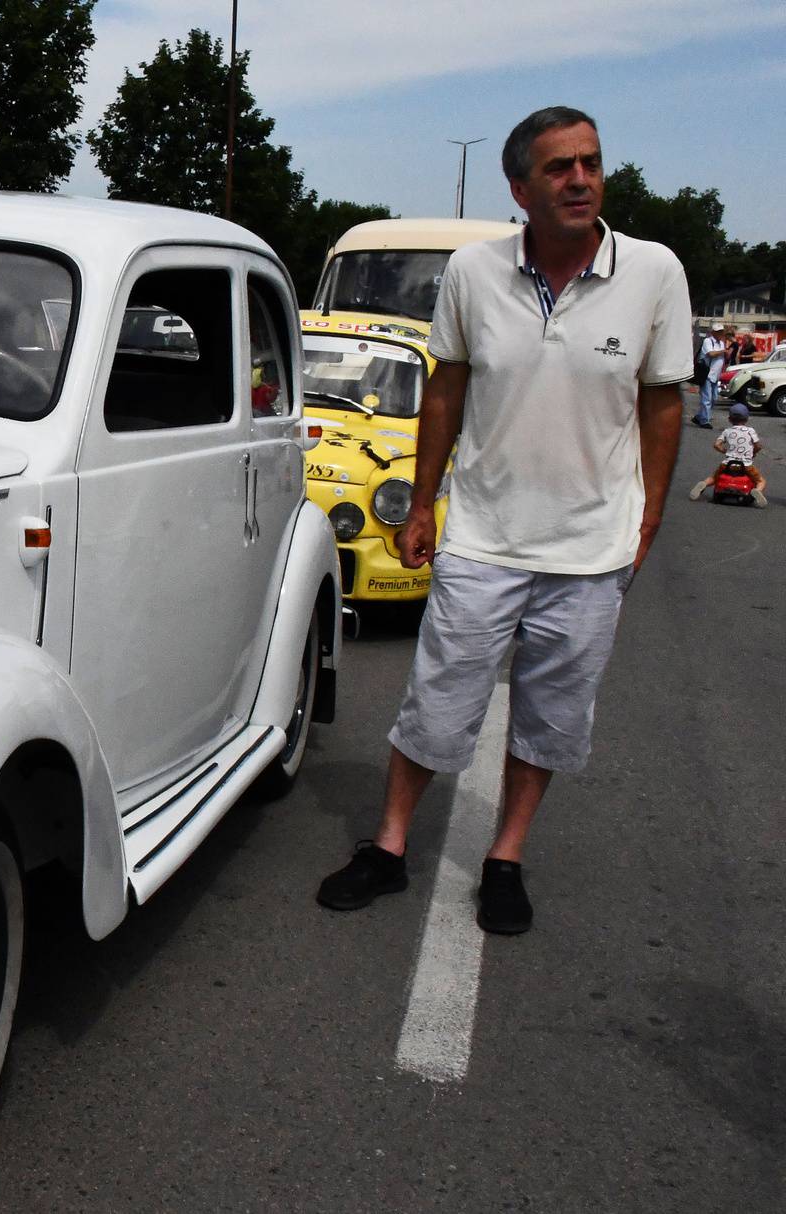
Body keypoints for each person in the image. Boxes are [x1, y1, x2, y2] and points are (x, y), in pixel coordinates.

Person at [315, 106, 691, 935]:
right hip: (483, 534)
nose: (582, 179)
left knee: (552, 714)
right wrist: (422, 500)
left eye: (591, 162)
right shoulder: (474, 273)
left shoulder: (655, 271)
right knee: (437, 701)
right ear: (519, 186)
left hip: (592, 547)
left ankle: (505, 857)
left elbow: (663, 405)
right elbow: (445, 389)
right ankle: (388, 845)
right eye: (559, 168)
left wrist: (651, 515)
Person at [688, 401, 767, 506]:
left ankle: (703, 484)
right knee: (761, 481)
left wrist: (725, 451)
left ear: (729, 419)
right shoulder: (750, 431)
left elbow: (716, 445)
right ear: (747, 419)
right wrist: (753, 452)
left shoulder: (727, 431)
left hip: (727, 464)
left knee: (714, 478)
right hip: (746, 465)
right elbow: (758, 446)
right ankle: (757, 491)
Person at [696, 323, 727, 427]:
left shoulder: (721, 343)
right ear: (713, 332)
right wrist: (723, 351)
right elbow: (711, 354)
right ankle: (705, 421)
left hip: (716, 375)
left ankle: (699, 416)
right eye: (718, 332)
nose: (720, 334)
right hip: (707, 374)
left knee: (714, 398)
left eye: (721, 332)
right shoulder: (708, 341)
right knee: (707, 398)